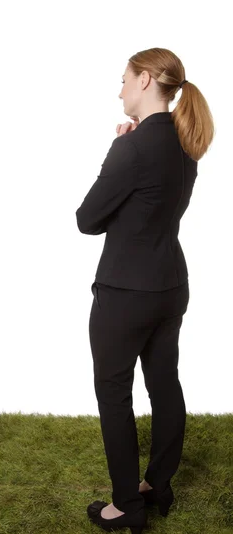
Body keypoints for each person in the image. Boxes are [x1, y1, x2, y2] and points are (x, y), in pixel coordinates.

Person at [76, 48, 214, 533]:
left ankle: (125, 507)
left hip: (125, 290)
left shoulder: (131, 148)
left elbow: (87, 220)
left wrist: (115, 154)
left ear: (146, 80)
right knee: (164, 384)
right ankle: (158, 486)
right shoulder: (186, 142)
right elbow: (152, 207)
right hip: (171, 284)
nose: (119, 89)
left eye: (124, 80)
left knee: (114, 394)